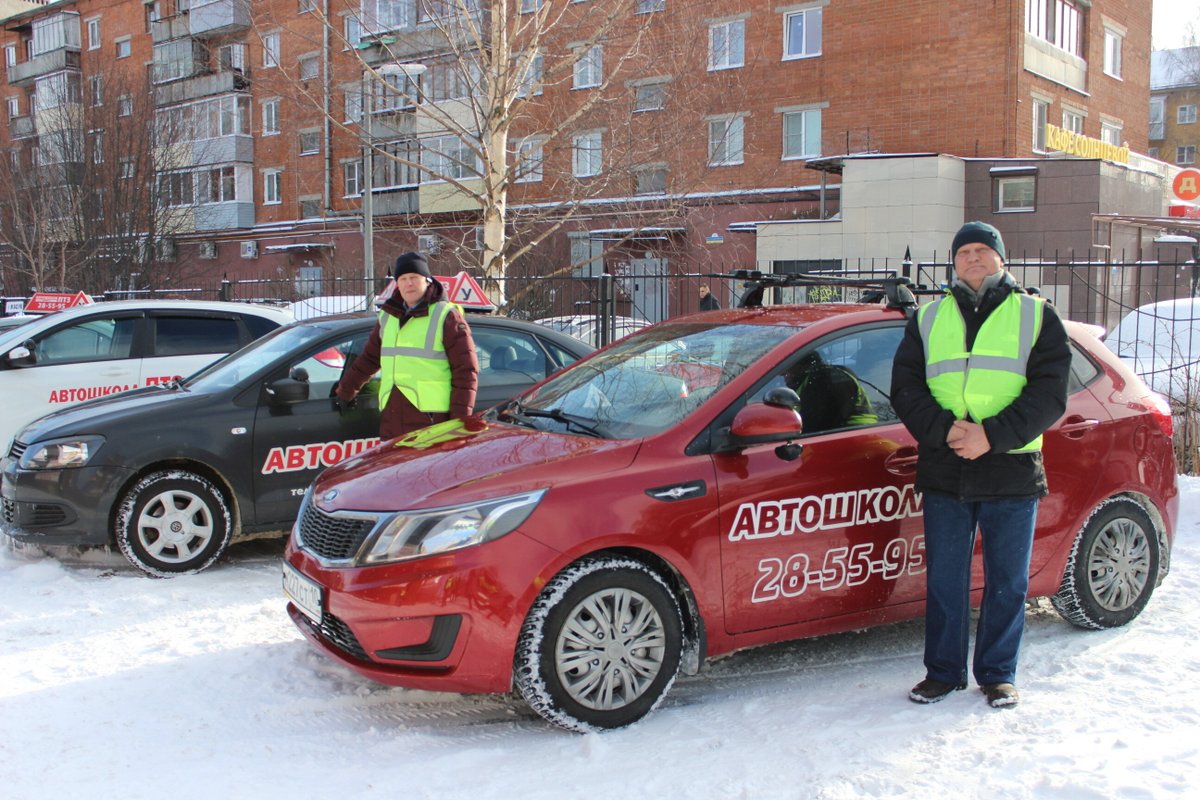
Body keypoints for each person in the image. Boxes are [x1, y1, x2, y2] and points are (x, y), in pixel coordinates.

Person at [891, 221, 1071, 709]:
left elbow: (1050, 394)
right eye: (964, 251)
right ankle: (943, 673)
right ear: (954, 262)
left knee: (1008, 581)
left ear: (1001, 260)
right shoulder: (927, 320)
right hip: (946, 466)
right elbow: (906, 389)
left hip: (1010, 467)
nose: (973, 258)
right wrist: (948, 430)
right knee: (945, 580)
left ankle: (997, 674)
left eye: (982, 251)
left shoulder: (1036, 316)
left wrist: (989, 436)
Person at [333, 251, 479, 440]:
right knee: (395, 469)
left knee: (425, 469)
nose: (409, 283)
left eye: (414, 277)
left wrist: (459, 422)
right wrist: (346, 390)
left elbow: (466, 371)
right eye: (403, 278)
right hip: (392, 414)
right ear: (397, 284)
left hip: (431, 419)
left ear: (427, 280)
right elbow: (369, 358)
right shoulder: (388, 316)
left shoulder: (445, 315)